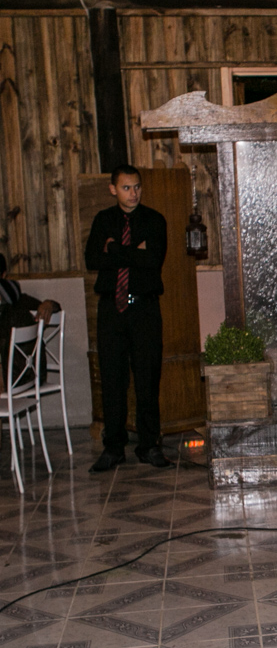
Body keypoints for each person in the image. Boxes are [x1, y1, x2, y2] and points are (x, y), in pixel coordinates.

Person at [84, 164, 171, 472]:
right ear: (113, 189)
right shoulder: (103, 220)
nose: (133, 193)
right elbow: (92, 259)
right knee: (112, 379)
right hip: (111, 309)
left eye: (137, 187)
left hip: (144, 309)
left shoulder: (154, 220)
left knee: (147, 377)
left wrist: (114, 249)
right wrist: (134, 251)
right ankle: (114, 447)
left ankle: (149, 445)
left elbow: (153, 260)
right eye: (126, 188)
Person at [0, 253, 60, 381]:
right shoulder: (19, 298)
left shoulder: (18, 301)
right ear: (4, 275)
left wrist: (49, 304)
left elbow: (53, 307)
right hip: (32, 378)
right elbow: (54, 307)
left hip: (16, 380)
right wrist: (50, 304)